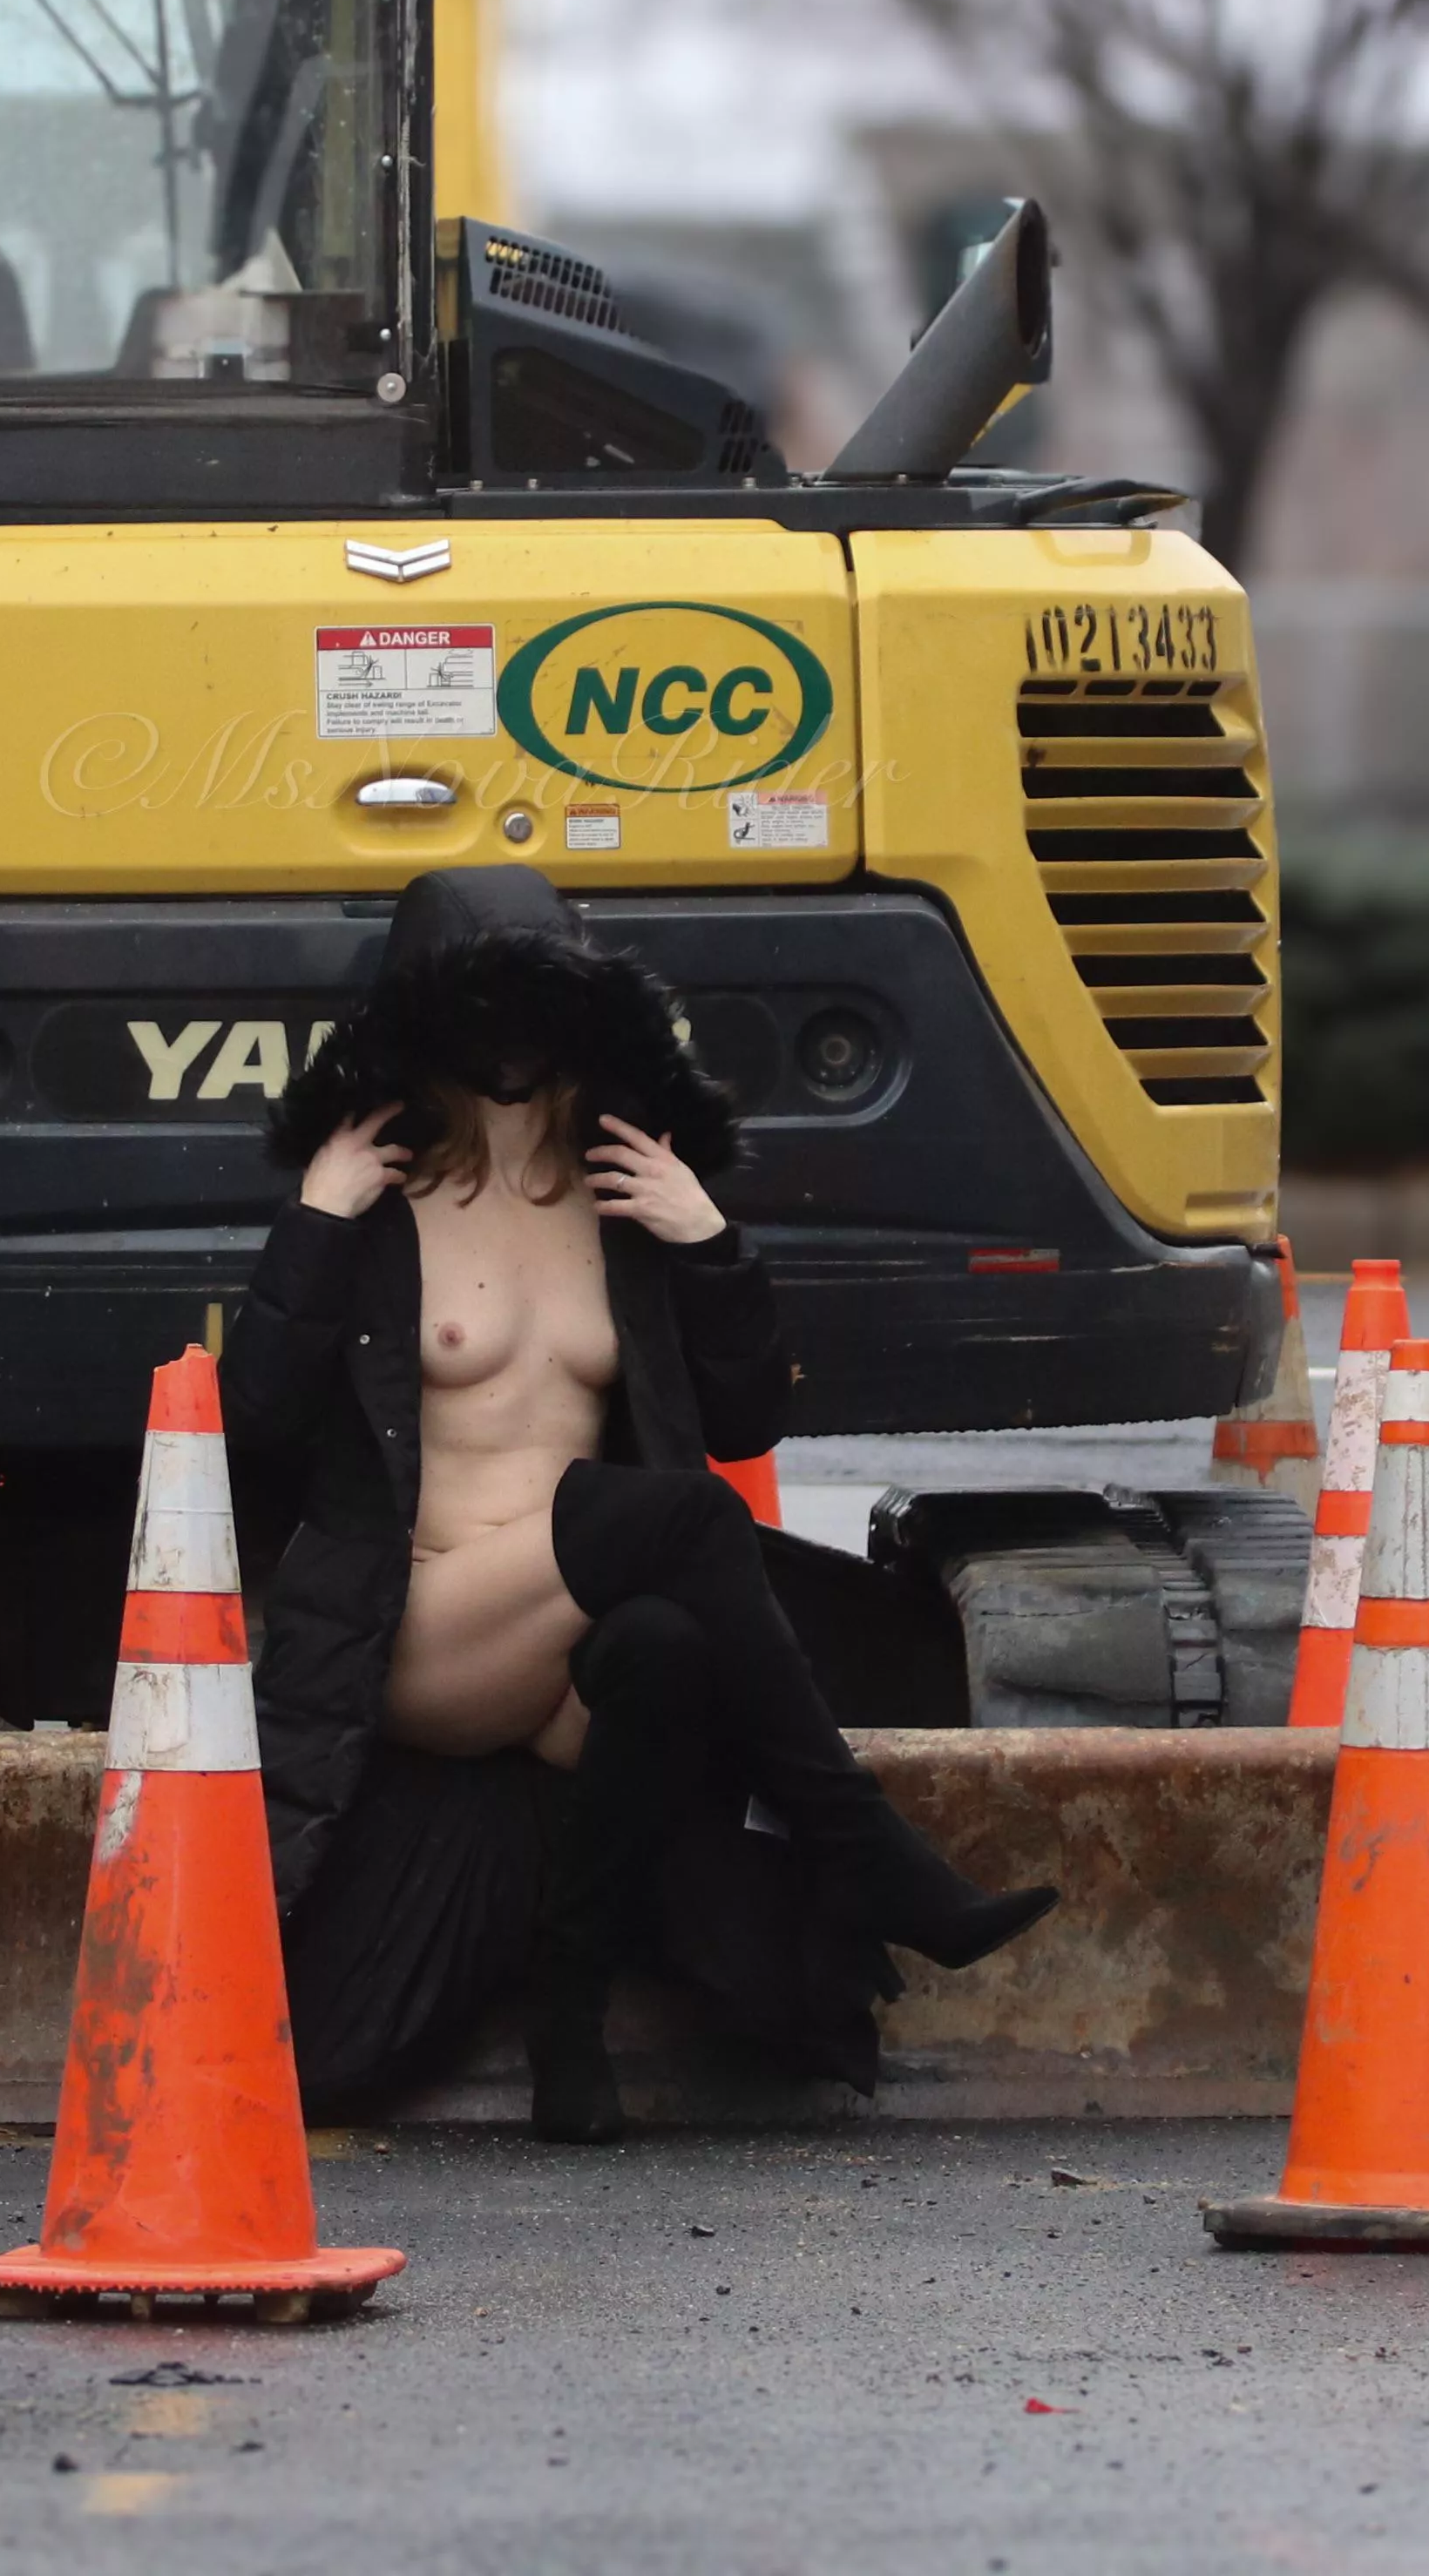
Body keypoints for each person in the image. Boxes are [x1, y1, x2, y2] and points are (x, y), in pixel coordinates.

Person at [221, 866, 1057, 2140]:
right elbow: (255, 1426)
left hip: (569, 1663)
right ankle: (865, 1851)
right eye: (477, 1011)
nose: (508, 1049)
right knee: (683, 1523)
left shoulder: (625, 1189)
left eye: (536, 1012)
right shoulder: (375, 1193)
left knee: (662, 1651)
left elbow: (742, 1421)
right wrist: (312, 1226)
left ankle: (571, 2028)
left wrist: (708, 1239)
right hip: (419, 1639)